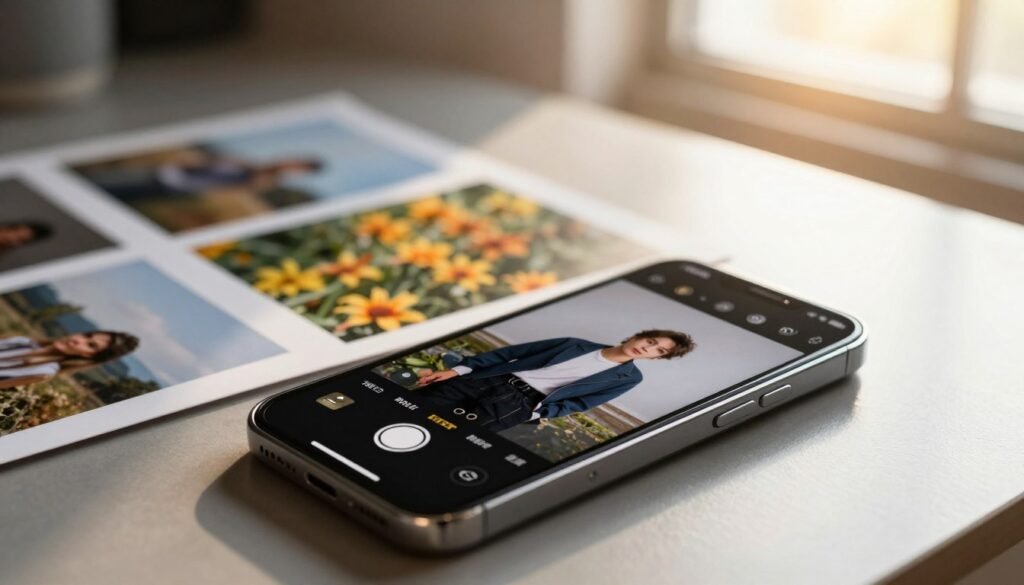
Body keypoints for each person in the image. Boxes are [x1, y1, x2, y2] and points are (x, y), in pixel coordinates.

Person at [415, 329, 695, 431]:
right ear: (637, 336)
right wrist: (457, 370)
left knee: (458, 437)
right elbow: (508, 353)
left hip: (518, 404)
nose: (647, 349)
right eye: (650, 341)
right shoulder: (573, 343)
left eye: (659, 351)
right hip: (487, 379)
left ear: (656, 359)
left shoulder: (628, 378)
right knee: (413, 406)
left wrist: (536, 413)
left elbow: (581, 403)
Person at [89, 154, 323, 203]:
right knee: (105, 181)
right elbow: (210, 163)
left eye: (299, 167)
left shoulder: (264, 179)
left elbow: (253, 182)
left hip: (176, 186)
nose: (292, 164)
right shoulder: (250, 164)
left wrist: (279, 170)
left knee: (115, 193)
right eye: (297, 162)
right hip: (169, 172)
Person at [0, 331, 139, 390]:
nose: (78, 340)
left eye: (91, 345)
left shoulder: (43, 371)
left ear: (88, 356)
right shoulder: (22, 341)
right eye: (87, 335)